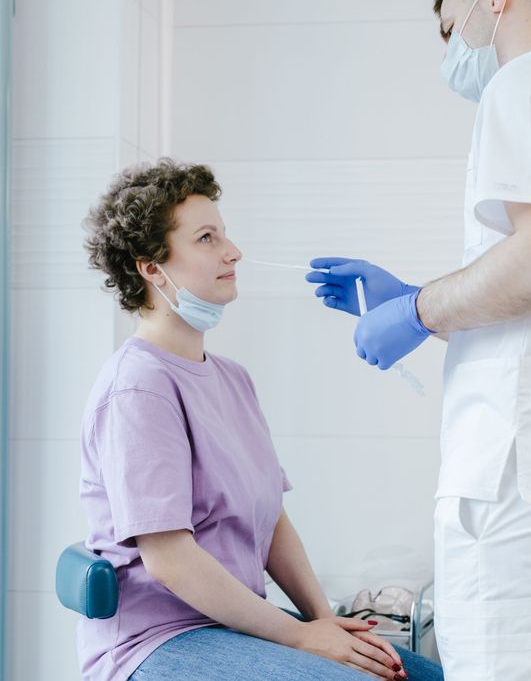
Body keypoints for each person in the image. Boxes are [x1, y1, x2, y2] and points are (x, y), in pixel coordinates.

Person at [306, 0, 531, 679]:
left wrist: (415, 312)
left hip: (525, 492)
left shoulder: (527, 80)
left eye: (450, 28)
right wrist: (415, 296)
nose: (452, 51)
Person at [78, 159, 444, 681]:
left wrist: (325, 620)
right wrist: (298, 635)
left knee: (424, 678)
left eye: (224, 235)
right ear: (150, 268)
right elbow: (169, 559)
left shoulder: (232, 380)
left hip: (233, 626)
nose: (233, 252)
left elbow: (271, 520)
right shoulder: (138, 387)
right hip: (159, 640)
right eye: (207, 238)